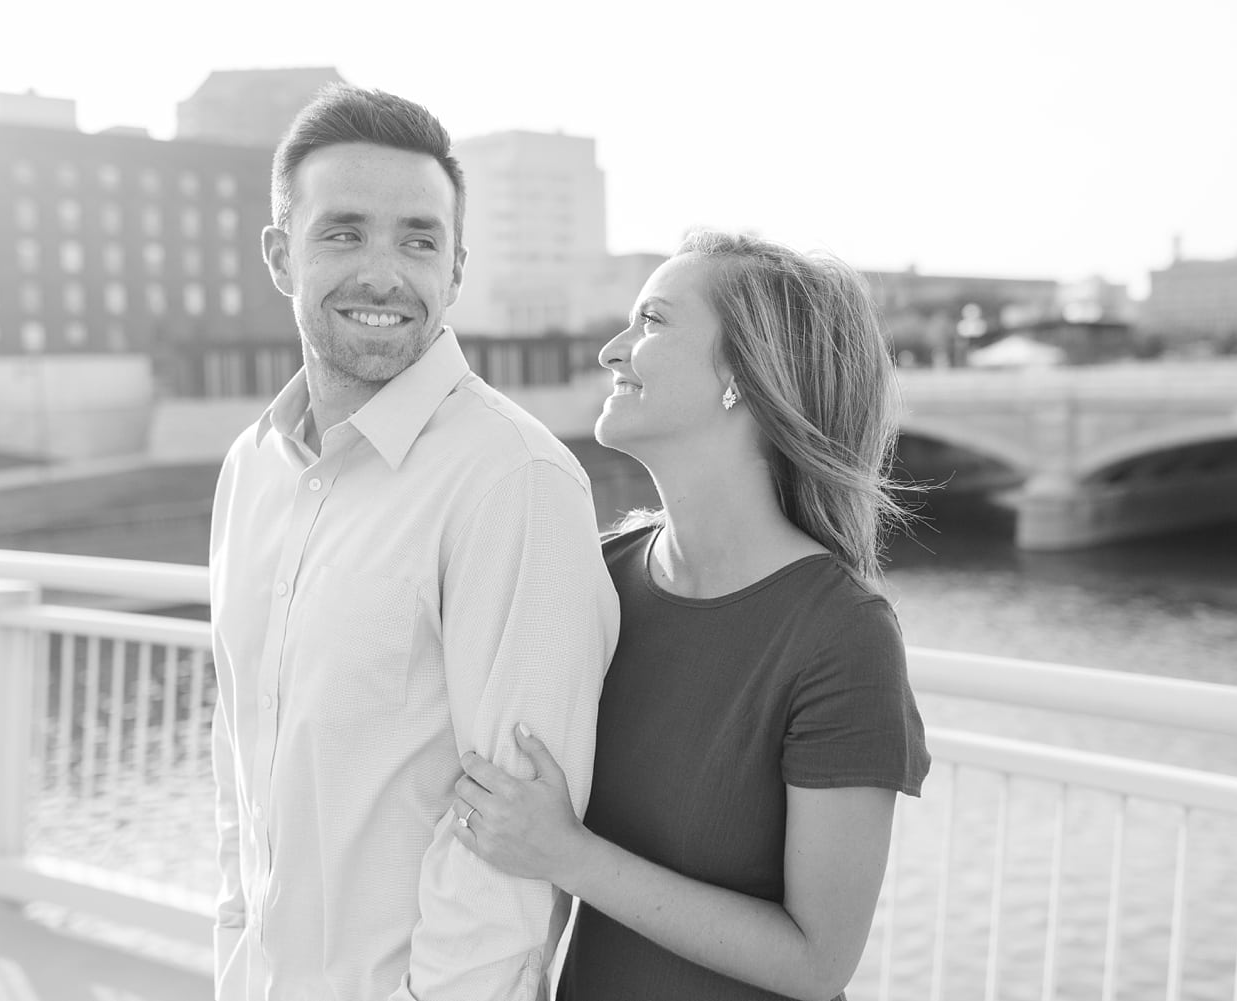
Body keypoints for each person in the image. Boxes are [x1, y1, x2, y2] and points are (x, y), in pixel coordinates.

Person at [208, 85, 619, 1001]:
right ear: (282, 255)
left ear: (457, 268)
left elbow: (511, 852)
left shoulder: (514, 480)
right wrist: (233, 958)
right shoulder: (250, 469)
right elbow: (242, 768)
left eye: (419, 239)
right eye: (344, 232)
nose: (385, 273)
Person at [450, 231, 931, 1000]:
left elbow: (818, 961)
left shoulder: (842, 635)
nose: (613, 350)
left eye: (653, 321)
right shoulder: (597, 571)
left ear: (742, 372)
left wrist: (568, 854)